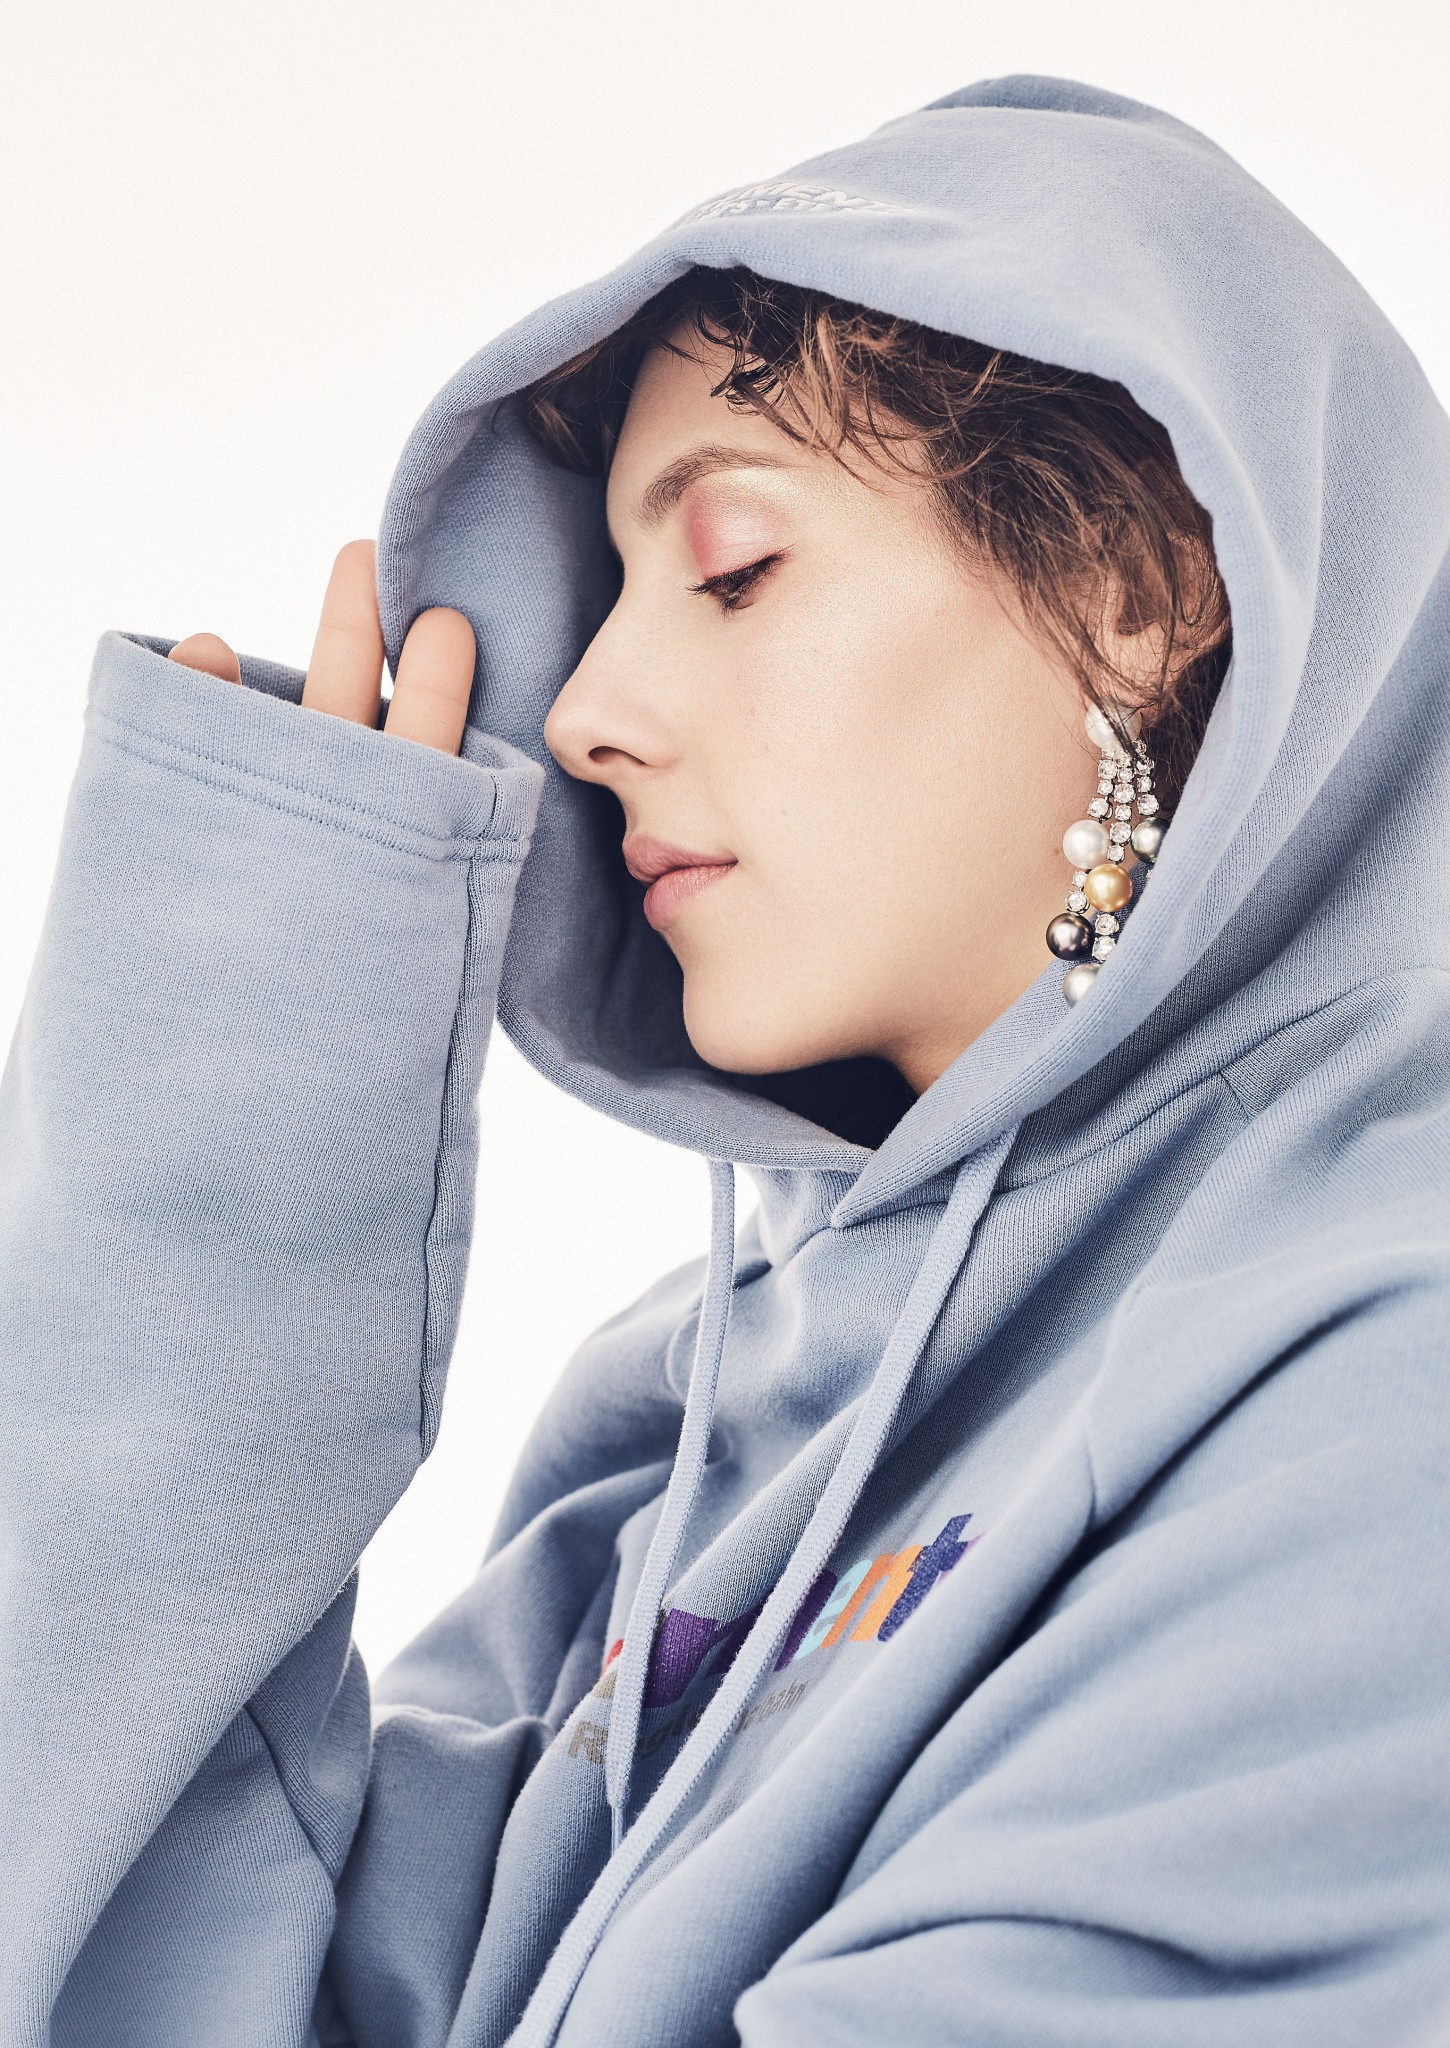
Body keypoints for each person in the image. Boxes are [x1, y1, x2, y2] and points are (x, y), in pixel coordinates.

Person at [3, 70, 1448, 2048]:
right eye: (602, 595)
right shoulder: (680, 1432)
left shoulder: (1388, 1359)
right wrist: (219, 1167)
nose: (583, 707)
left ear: (1139, 592)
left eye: (732, 566)